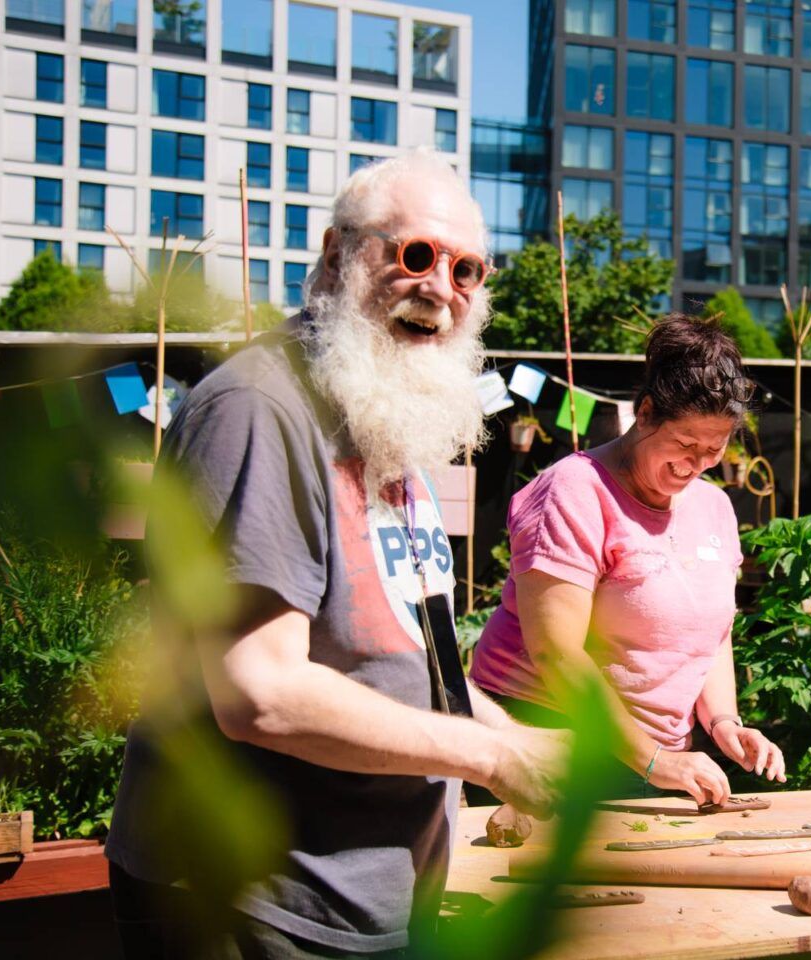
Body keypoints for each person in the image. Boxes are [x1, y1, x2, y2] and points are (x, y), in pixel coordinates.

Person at [105, 150, 567, 958]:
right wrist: (490, 752)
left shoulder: (382, 418)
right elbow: (260, 691)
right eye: (414, 255)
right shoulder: (260, 410)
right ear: (337, 255)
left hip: (358, 902)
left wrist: (526, 742)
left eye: (467, 271)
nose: (440, 289)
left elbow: (412, 669)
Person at [469, 317, 787, 805]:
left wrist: (723, 722)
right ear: (645, 413)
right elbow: (558, 653)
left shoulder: (715, 507)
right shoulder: (574, 490)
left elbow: (711, 635)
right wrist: (653, 760)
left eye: (714, 449)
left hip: (650, 757)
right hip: (547, 743)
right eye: (684, 444)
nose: (695, 463)